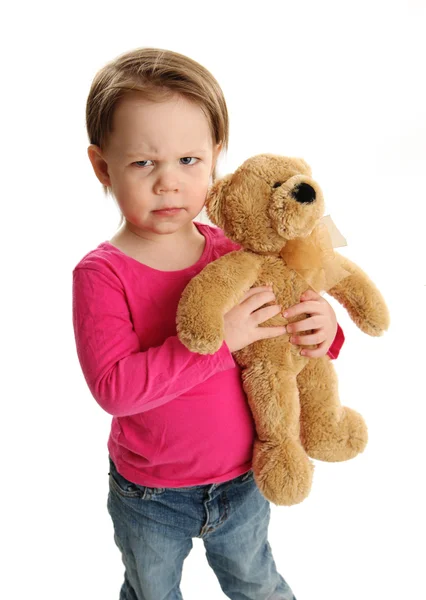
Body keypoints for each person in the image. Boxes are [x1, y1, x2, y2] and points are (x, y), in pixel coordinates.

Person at [72, 47, 345, 600]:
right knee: (152, 591)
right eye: (143, 163)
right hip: (151, 494)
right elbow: (116, 390)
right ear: (103, 166)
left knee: (256, 582)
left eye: (189, 161)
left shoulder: (236, 252)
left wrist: (324, 328)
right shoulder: (102, 274)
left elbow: (287, 337)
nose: (169, 183)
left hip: (246, 480)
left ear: (216, 156)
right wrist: (223, 342)